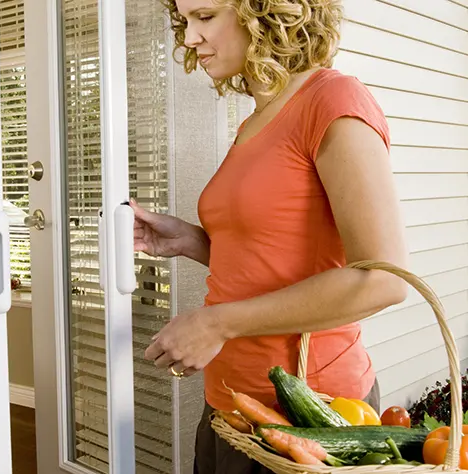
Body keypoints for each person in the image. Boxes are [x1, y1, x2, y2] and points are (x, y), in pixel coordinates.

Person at [133, 0, 409, 472]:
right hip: (232, 407)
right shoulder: (256, 119)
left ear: (263, 12)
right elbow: (275, 258)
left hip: (311, 417)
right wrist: (189, 240)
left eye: (205, 16)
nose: (189, 37)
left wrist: (215, 323)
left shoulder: (333, 100)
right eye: (185, 20)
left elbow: (385, 279)